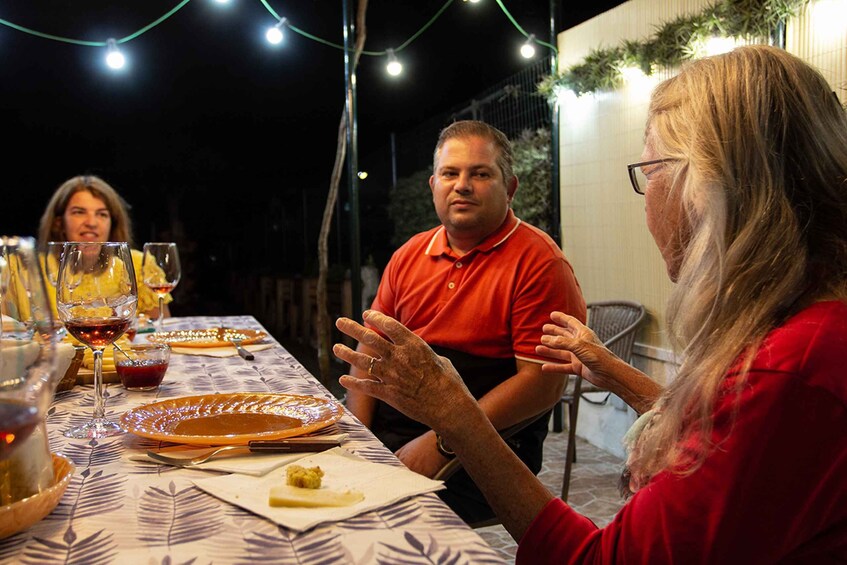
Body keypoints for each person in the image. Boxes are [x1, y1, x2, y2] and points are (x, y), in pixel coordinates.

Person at [333, 45, 847, 562]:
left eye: (650, 171)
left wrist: (452, 421)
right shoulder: (797, 332)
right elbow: (710, 428)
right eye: (449, 174)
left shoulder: (788, 372)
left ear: (713, 189)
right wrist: (615, 371)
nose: (647, 201)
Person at [344, 120, 586, 524]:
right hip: (393, 430)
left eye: (480, 173)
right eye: (450, 173)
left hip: (487, 448)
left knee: (375, 519)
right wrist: (359, 436)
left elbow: (541, 383)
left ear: (510, 188)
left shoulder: (539, 262)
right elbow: (371, 345)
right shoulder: (408, 255)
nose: (462, 185)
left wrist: (442, 443)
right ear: (433, 185)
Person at [37, 174, 172, 319]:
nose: (92, 222)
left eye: (102, 214)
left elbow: (160, 330)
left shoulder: (139, 264)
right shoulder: (27, 269)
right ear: (59, 223)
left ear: (112, 224)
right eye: (79, 212)